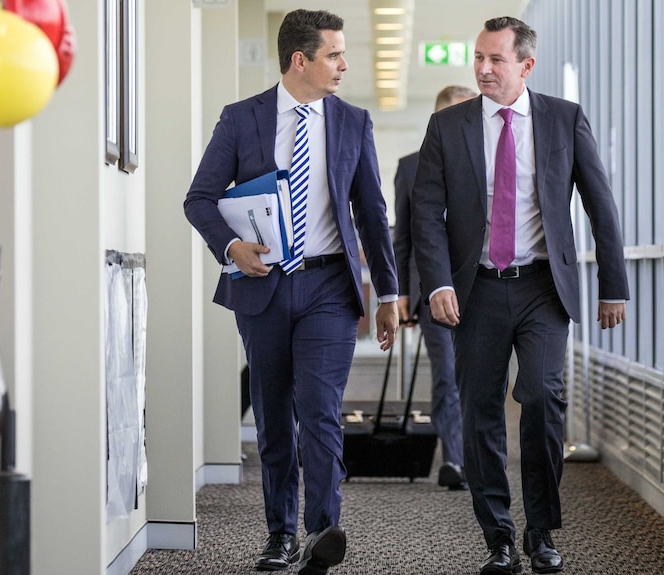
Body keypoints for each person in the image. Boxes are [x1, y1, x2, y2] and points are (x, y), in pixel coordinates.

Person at [411, 16, 629, 575]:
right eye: (478, 58)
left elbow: (600, 206)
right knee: (479, 409)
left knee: (541, 397)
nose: (483, 68)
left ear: (525, 65)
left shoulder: (563, 119)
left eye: (496, 60)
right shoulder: (449, 126)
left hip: (541, 287)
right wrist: (435, 281)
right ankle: (499, 538)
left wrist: (614, 287)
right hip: (475, 290)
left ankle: (541, 529)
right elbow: (425, 214)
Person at [184, 9, 398, 575]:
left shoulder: (351, 121)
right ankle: (279, 535)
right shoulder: (241, 119)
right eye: (334, 55)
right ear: (299, 60)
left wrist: (389, 293)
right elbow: (199, 198)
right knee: (275, 416)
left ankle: (322, 529)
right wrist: (232, 248)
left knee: (321, 410)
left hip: (330, 283)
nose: (343, 65)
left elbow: (372, 214)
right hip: (264, 286)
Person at [393, 85, 477, 491]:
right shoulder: (410, 167)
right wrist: (402, 295)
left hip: (484, 286)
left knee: (481, 375)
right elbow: (403, 235)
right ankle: (455, 460)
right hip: (431, 289)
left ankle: (478, 454)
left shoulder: (493, 162)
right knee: (447, 372)